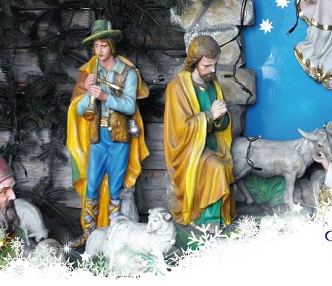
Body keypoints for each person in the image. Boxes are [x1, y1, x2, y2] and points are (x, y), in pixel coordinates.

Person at [66, 19, 149, 248]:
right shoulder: (92, 72)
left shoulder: (128, 73)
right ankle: (88, 234)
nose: (99, 51)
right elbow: (81, 111)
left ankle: (113, 236)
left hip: (119, 138)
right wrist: (88, 92)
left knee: (115, 189)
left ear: (111, 45)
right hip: (97, 137)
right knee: (92, 185)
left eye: (103, 45)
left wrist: (105, 97)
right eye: (96, 46)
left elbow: (130, 106)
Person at [163, 35, 234, 230]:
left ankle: (215, 217)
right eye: (207, 66)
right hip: (188, 152)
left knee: (222, 165)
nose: (213, 70)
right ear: (194, 63)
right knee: (216, 167)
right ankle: (208, 220)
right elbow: (179, 130)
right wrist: (210, 115)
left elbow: (222, 124)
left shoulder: (212, 84)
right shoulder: (177, 88)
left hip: (211, 146)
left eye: (215, 65)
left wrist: (221, 117)